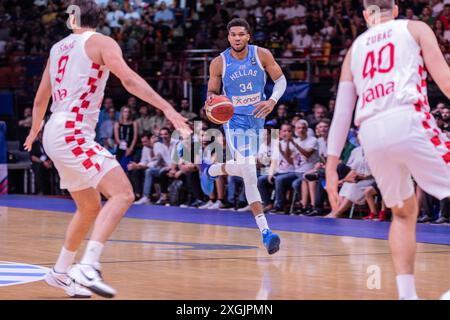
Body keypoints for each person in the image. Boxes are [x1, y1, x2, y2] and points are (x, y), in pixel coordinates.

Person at [23, 0, 190, 299]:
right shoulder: (101, 41)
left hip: (55, 130)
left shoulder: (57, 48)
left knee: (88, 207)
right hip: (72, 130)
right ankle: (88, 265)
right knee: (123, 193)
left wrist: (36, 130)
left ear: (73, 18)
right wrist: (168, 109)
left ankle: (60, 272)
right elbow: (128, 79)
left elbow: (39, 100)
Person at [325, 0, 450, 300]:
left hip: (370, 131)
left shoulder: (354, 49)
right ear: (394, 9)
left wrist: (331, 166)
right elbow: (444, 77)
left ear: (366, 15)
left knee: (404, 212)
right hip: (408, 117)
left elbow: (342, 113)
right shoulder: (414, 27)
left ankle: (407, 295)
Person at [200, 18, 286, 255]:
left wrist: (272, 100)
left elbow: (280, 80)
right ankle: (266, 232)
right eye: (233, 35)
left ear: (248, 36)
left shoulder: (262, 55)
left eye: (241, 34)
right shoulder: (219, 62)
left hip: (257, 118)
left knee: (245, 166)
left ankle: (213, 169)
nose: (237, 38)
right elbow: (211, 94)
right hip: (234, 121)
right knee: (249, 171)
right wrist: (211, 104)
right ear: (228, 37)